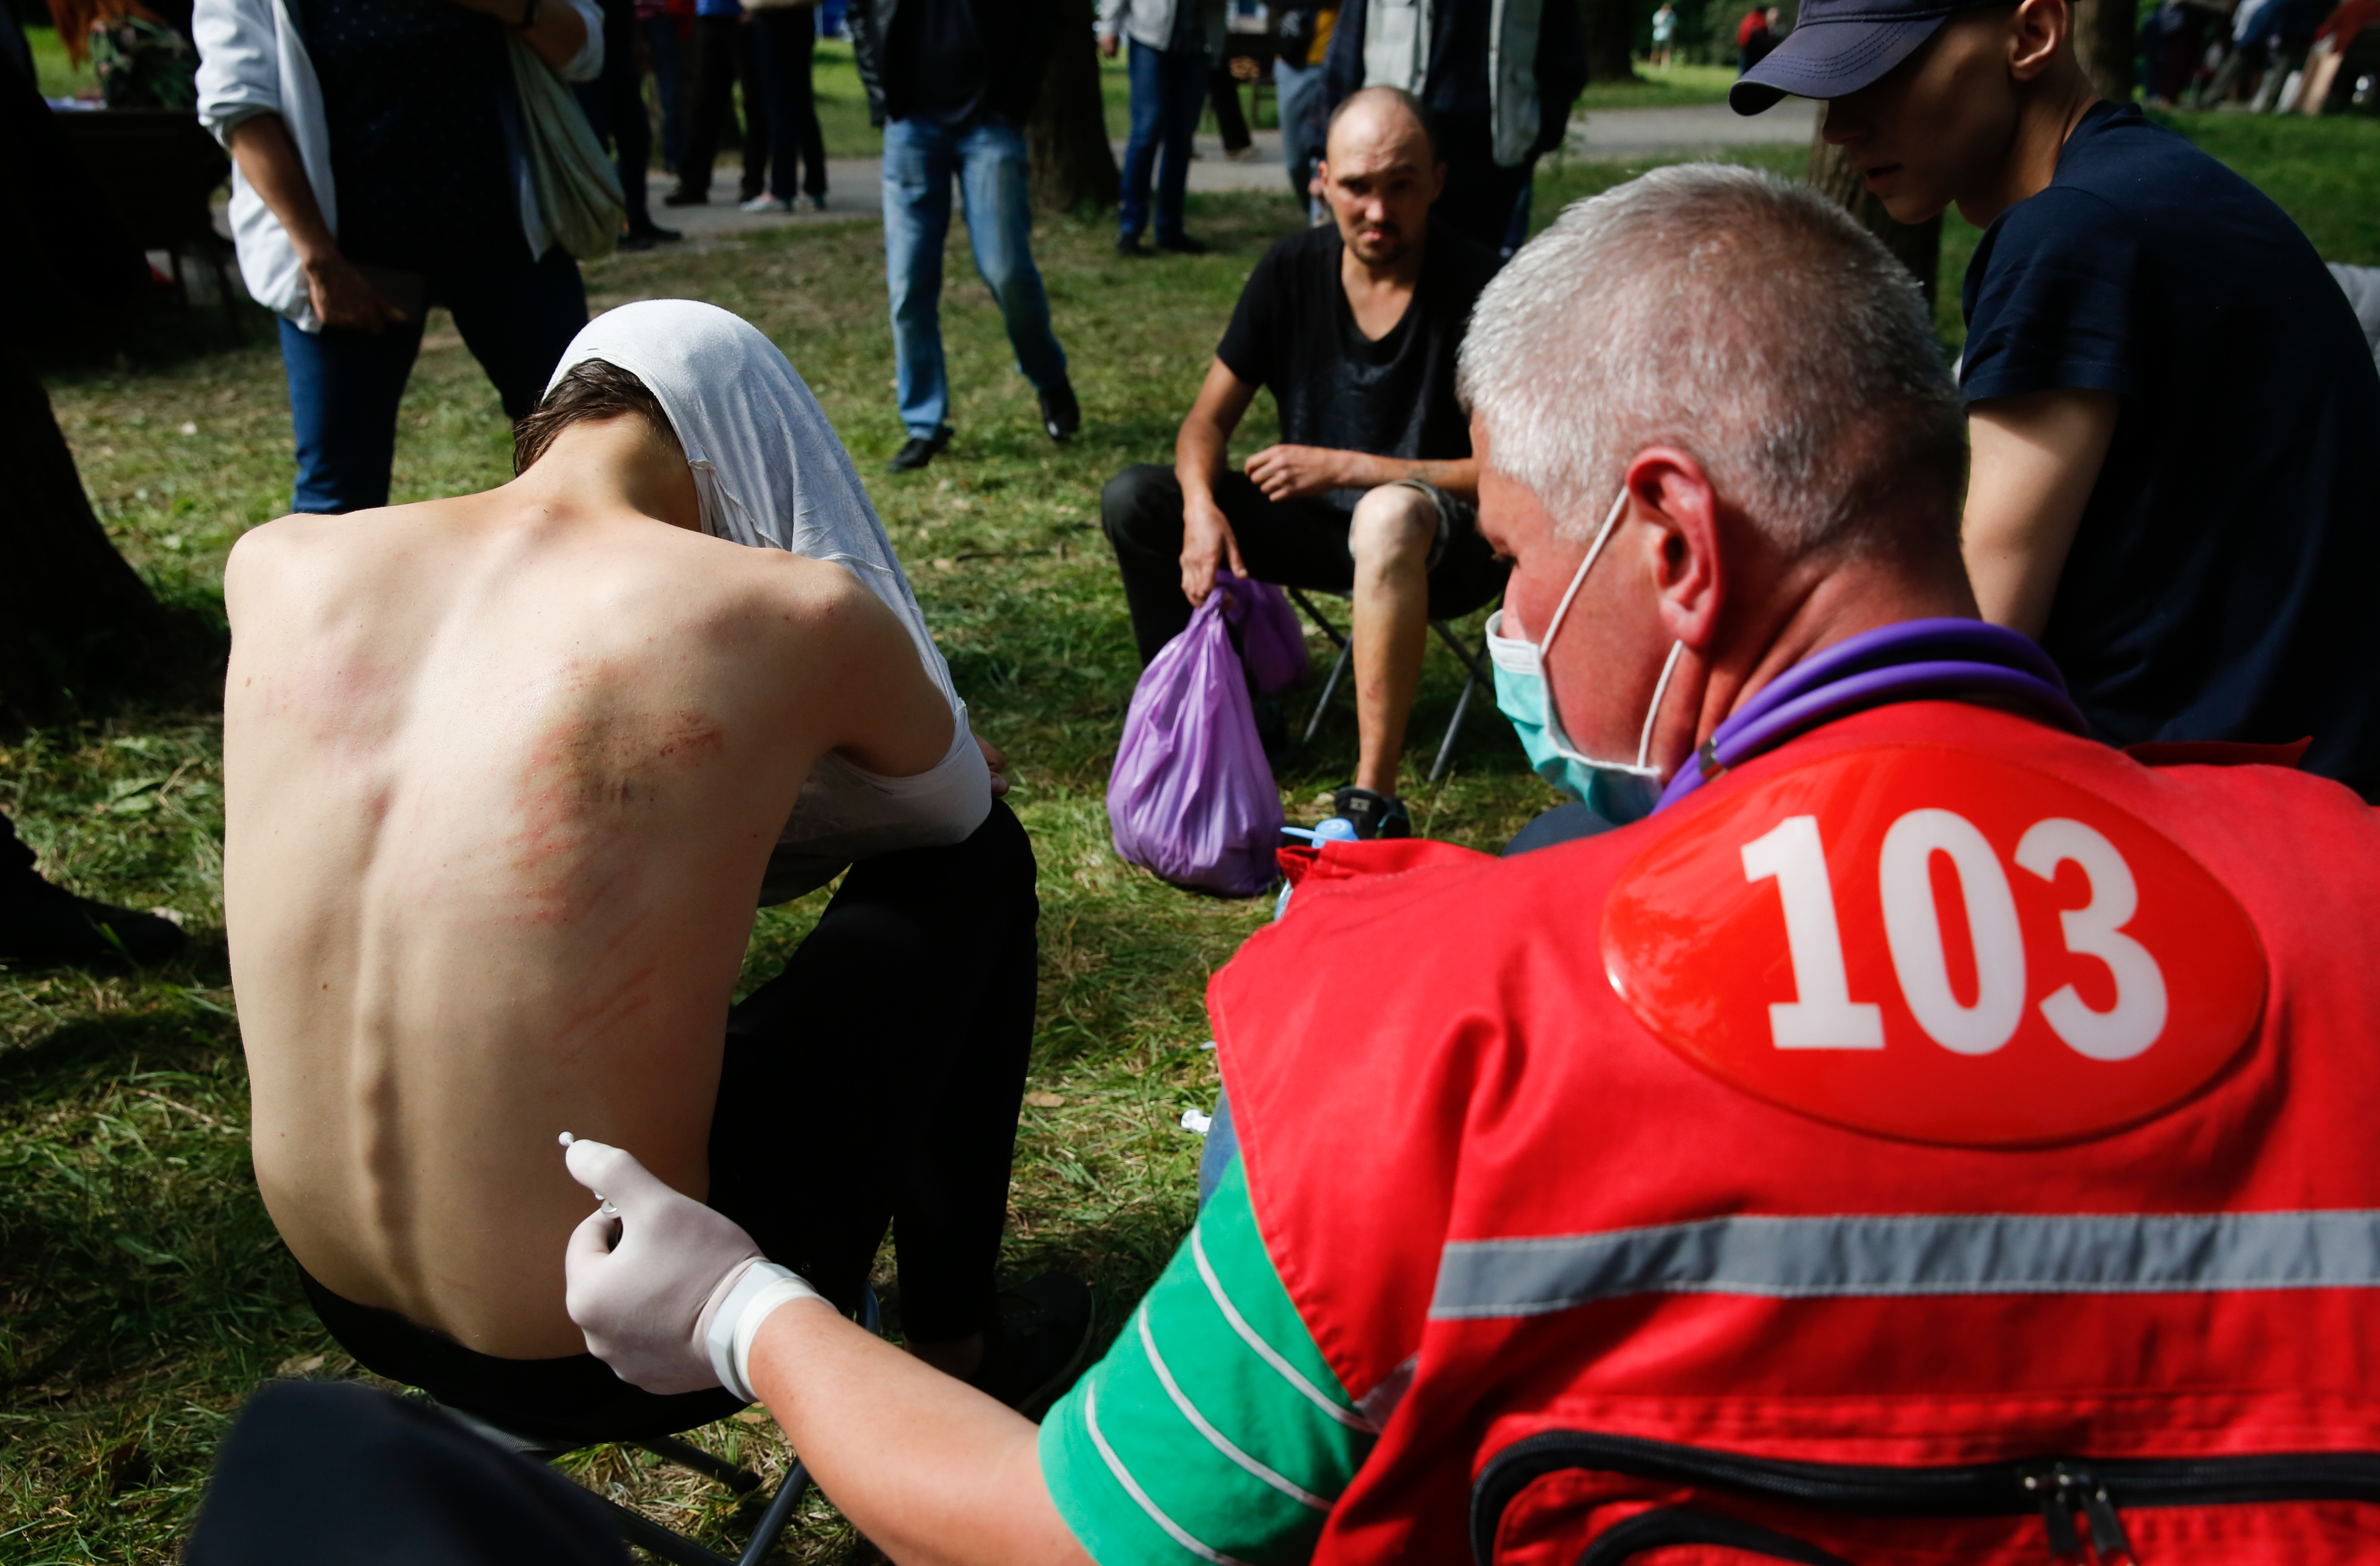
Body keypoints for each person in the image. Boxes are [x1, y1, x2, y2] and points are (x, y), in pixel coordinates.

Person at [193, 162, 2380, 1565]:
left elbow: (1079, 1527)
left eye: (1517, 558)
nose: (1507, 627)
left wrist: (748, 1306)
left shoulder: (1424, 1025)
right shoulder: (2343, 884)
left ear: (1678, 549)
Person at [219, 300, 1087, 1444]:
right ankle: (960, 1345)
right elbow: (949, 806)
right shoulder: (794, 610)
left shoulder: (280, 563)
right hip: (615, 1328)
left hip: (341, 1298)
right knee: (985, 861)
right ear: (748, 460)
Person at [1732, 0, 2380, 797]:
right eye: (1829, 89)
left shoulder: (2073, 237)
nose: (1841, 126)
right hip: (2304, 770)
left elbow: (1971, 648)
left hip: (2211, 809)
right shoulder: (2147, 187)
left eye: (1882, 72)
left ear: (2033, 35)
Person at [1101, 87, 1505, 840]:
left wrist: (1348, 467)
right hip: (1315, 530)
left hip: (1442, 548)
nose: (1378, 211)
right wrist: (1199, 507)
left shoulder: (1482, 287)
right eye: (1357, 186)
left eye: (1402, 185)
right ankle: (1211, 723)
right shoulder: (1290, 269)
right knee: (1138, 499)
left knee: (1387, 515)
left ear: (1439, 182)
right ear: (1322, 179)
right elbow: (1203, 425)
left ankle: (1371, 798)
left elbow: (1499, 475)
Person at [194, 0, 604, 516]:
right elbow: (240, 109)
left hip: (509, 238)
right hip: (350, 256)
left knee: (581, 450)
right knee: (339, 492)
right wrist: (319, 258)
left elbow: (586, 51)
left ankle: (582, 593)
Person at [849, 0, 1082, 472]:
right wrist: (883, 98)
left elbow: (1044, 16)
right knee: (909, 282)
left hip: (990, 120)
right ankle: (924, 424)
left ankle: (1049, 376)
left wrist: (1015, 100)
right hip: (911, 122)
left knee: (1006, 269)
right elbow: (862, 13)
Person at [1321, 0, 1584, 255]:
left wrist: (1536, 133)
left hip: (1493, 161)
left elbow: (1564, 53)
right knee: (1388, 275)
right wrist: (1324, 148)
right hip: (1395, 159)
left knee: (1480, 285)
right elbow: (1346, 52)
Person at [1100, 0, 1228, 257]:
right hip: (1151, 36)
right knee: (1147, 131)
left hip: (1199, 41)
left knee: (1181, 139)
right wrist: (1109, 26)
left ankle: (1170, 229)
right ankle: (1130, 229)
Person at [576, 0, 682, 248]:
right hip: (588, 56)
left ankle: (636, 219)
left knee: (636, 137)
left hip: (620, 53)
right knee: (596, 144)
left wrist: (637, 41)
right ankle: (607, 228)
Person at [664, 0, 758, 206]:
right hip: (711, 15)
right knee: (705, 104)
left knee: (754, 103)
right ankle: (693, 185)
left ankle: (753, 184)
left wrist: (753, 8)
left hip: (744, 17)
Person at [742, 0, 827, 212]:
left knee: (778, 104)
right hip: (804, 13)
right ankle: (814, 186)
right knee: (802, 104)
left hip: (773, 14)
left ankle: (782, 189)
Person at [47, 0, 197, 108]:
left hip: (166, 131)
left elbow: (118, 101)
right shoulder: (143, 21)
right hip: (190, 120)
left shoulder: (105, 31)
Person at [1273, 5, 1339, 219]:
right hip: (1294, 64)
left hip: (1337, 64)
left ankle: (1320, 225)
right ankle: (1314, 215)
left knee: (1325, 160)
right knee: (1296, 163)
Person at [1651, 0, 1678, 68]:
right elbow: (1654, 26)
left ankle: (1665, 67)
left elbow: (1673, 27)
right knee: (1656, 51)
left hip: (1667, 36)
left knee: (1666, 52)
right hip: (1658, 36)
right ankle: (1654, 65)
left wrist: (1673, 36)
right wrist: (1663, 19)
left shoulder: (1673, 15)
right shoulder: (1658, 14)